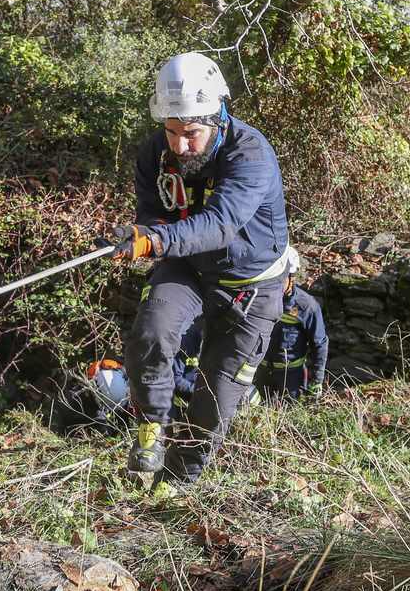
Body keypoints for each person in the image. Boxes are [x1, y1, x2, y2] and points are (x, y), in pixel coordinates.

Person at [103, 52, 290, 499]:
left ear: (218, 116)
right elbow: (154, 214)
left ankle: (174, 486)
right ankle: (151, 427)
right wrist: (140, 233)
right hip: (189, 267)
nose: (180, 145)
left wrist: (157, 240)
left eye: (191, 134)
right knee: (152, 332)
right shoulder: (155, 153)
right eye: (172, 131)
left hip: (251, 285)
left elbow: (221, 224)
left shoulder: (250, 153)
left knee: (213, 405)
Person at [256, 248, 329, 401]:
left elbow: (319, 344)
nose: (275, 284)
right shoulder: (259, 298)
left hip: (292, 379)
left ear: (291, 278)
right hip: (261, 373)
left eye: (280, 278)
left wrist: (316, 380)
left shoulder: (307, 307)